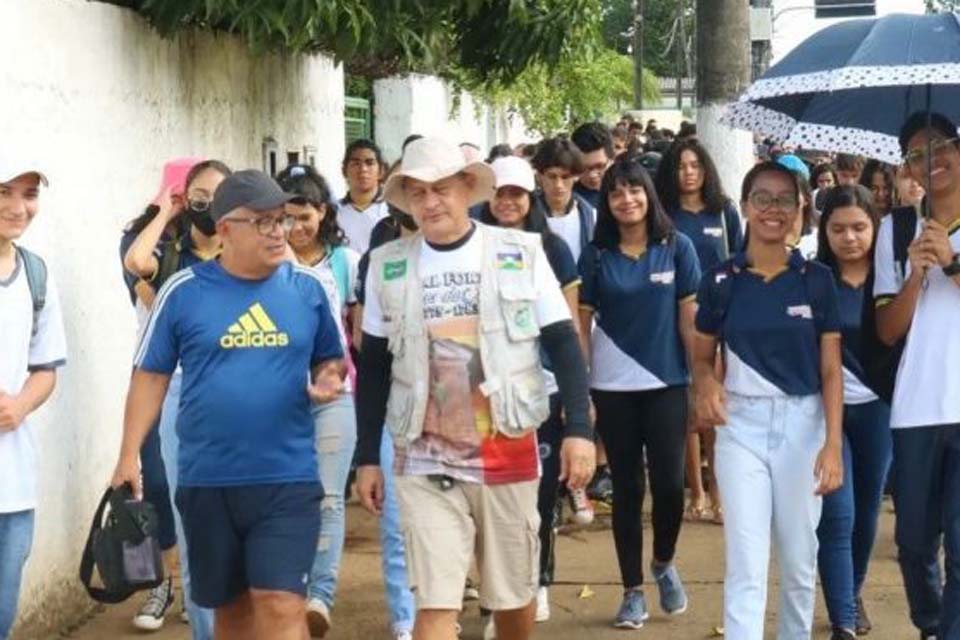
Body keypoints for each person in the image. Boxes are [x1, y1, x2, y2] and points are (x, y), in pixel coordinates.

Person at [354, 137, 596, 640]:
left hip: (506, 450)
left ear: (467, 188)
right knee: (437, 604)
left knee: (512, 599)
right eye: (417, 193)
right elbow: (374, 366)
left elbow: (564, 343)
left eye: (440, 188)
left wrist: (578, 428)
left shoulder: (520, 252)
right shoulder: (387, 265)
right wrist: (367, 457)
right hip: (422, 457)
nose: (430, 202)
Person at [111, 169, 346, 640]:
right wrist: (127, 456)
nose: (278, 231)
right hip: (209, 481)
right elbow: (151, 376)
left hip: (287, 480)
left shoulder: (307, 289)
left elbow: (330, 360)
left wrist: (327, 379)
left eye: (280, 219)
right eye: (262, 222)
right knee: (232, 615)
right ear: (225, 231)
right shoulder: (184, 291)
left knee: (281, 606)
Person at [693, 161, 844, 640]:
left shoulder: (817, 280)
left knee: (800, 561)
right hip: (740, 426)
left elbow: (830, 370)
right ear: (746, 207)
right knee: (746, 561)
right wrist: (706, 384)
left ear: (801, 208)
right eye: (762, 198)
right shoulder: (721, 280)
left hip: (804, 425)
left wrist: (833, 444)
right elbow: (700, 357)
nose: (772, 209)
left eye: (784, 199)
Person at [577, 157, 699, 629]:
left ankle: (664, 562)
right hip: (612, 389)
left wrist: (700, 379)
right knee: (628, 490)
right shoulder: (597, 255)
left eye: (635, 190)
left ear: (649, 195)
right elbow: (581, 327)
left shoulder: (677, 247)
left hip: (667, 383)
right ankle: (631, 591)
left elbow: (690, 322)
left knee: (670, 488)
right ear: (607, 204)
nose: (626, 200)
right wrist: (580, 390)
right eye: (615, 193)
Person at [123, 159, 232, 640]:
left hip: (224, 386)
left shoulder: (239, 248)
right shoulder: (165, 250)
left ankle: (201, 590)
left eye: (219, 194)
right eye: (199, 194)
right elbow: (134, 265)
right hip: (164, 386)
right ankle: (168, 582)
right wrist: (165, 212)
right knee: (161, 490)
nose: (209, 204)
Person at [479, 156, 584, 625]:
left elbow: (569, 328)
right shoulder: (473, 245)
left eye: (516, 194)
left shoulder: (553, 250)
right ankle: (494, 590)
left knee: (540, 498)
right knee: (487, 498)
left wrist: (579, 402)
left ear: (531, 196)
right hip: (485, 394)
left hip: (543, 389)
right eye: (499, 193)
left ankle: (538, 581)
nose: (507, 202)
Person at [875, 112, 960, 640]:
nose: (933, 161)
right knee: (912, 541)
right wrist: (916, 275)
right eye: (916, 153)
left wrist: (952, 264)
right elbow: (886, 329)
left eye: (943, 146)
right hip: (917, 406)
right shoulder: (896, 228)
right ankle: (930, 624)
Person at [276, 163, 361, 638]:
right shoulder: (270, 259)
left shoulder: (345, 261)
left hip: (335, 396)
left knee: (328, 497)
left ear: (322, 212)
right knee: (286, 497)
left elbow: (356, 327)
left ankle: (319, 596)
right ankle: (288, 587)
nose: (294, 227)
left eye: (303, 215)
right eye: (285, 216)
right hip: (280, 396)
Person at [119, 157, 203, 632]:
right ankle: (159, 583)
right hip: (153, 382)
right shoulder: (144, 240)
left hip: (199, 384)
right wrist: (165, 215)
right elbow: (141, 274)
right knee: (150, 483)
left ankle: (192, 584)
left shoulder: (208, 250)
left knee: (192, 487)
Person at [814, 186, 892, 639]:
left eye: (859, 227)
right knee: (837, 514)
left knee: (867, 513)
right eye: (839, 228)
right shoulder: (814, 279)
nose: (849, 238)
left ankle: (853, 590)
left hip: (880, 409)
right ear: (824, 231)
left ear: (874, 228)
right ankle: (843, 618)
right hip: (827, 413)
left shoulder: (891, 277)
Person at [655, 139, 742, 525]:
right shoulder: (664, 214)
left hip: (721, 318)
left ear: (706, 170)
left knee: (716, 404)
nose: (688, 172)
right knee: (689, 409)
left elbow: (740, 260)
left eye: (695, 165)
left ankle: (720, 488)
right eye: (681, 166)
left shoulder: (724, 212)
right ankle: (698, 491)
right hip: (678, 318)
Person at [0, 160, 67, 640]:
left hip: (14, 479)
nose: (18, 208)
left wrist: (21, 405)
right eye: (4, 192)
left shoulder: (35, 275)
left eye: (28, 194)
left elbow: (46, 368)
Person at [531, 137, 595, 263]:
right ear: (539, 176)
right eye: (552, 176)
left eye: (565, 177)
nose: (558, 184)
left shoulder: (591, 217)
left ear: (576, 177)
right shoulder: (526, 214)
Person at [338, 139, 389, 255]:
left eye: (369, 163)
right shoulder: (333, 212)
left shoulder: (391, 211)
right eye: (356, 163)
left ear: (381, 171)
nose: (363, 169)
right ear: (344, 171)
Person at [571, 122, 615, 210]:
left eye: (600, 166)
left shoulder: (629, 194)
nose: (592, 175)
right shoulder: (569, 200)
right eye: (583, 168)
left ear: (612, 159)